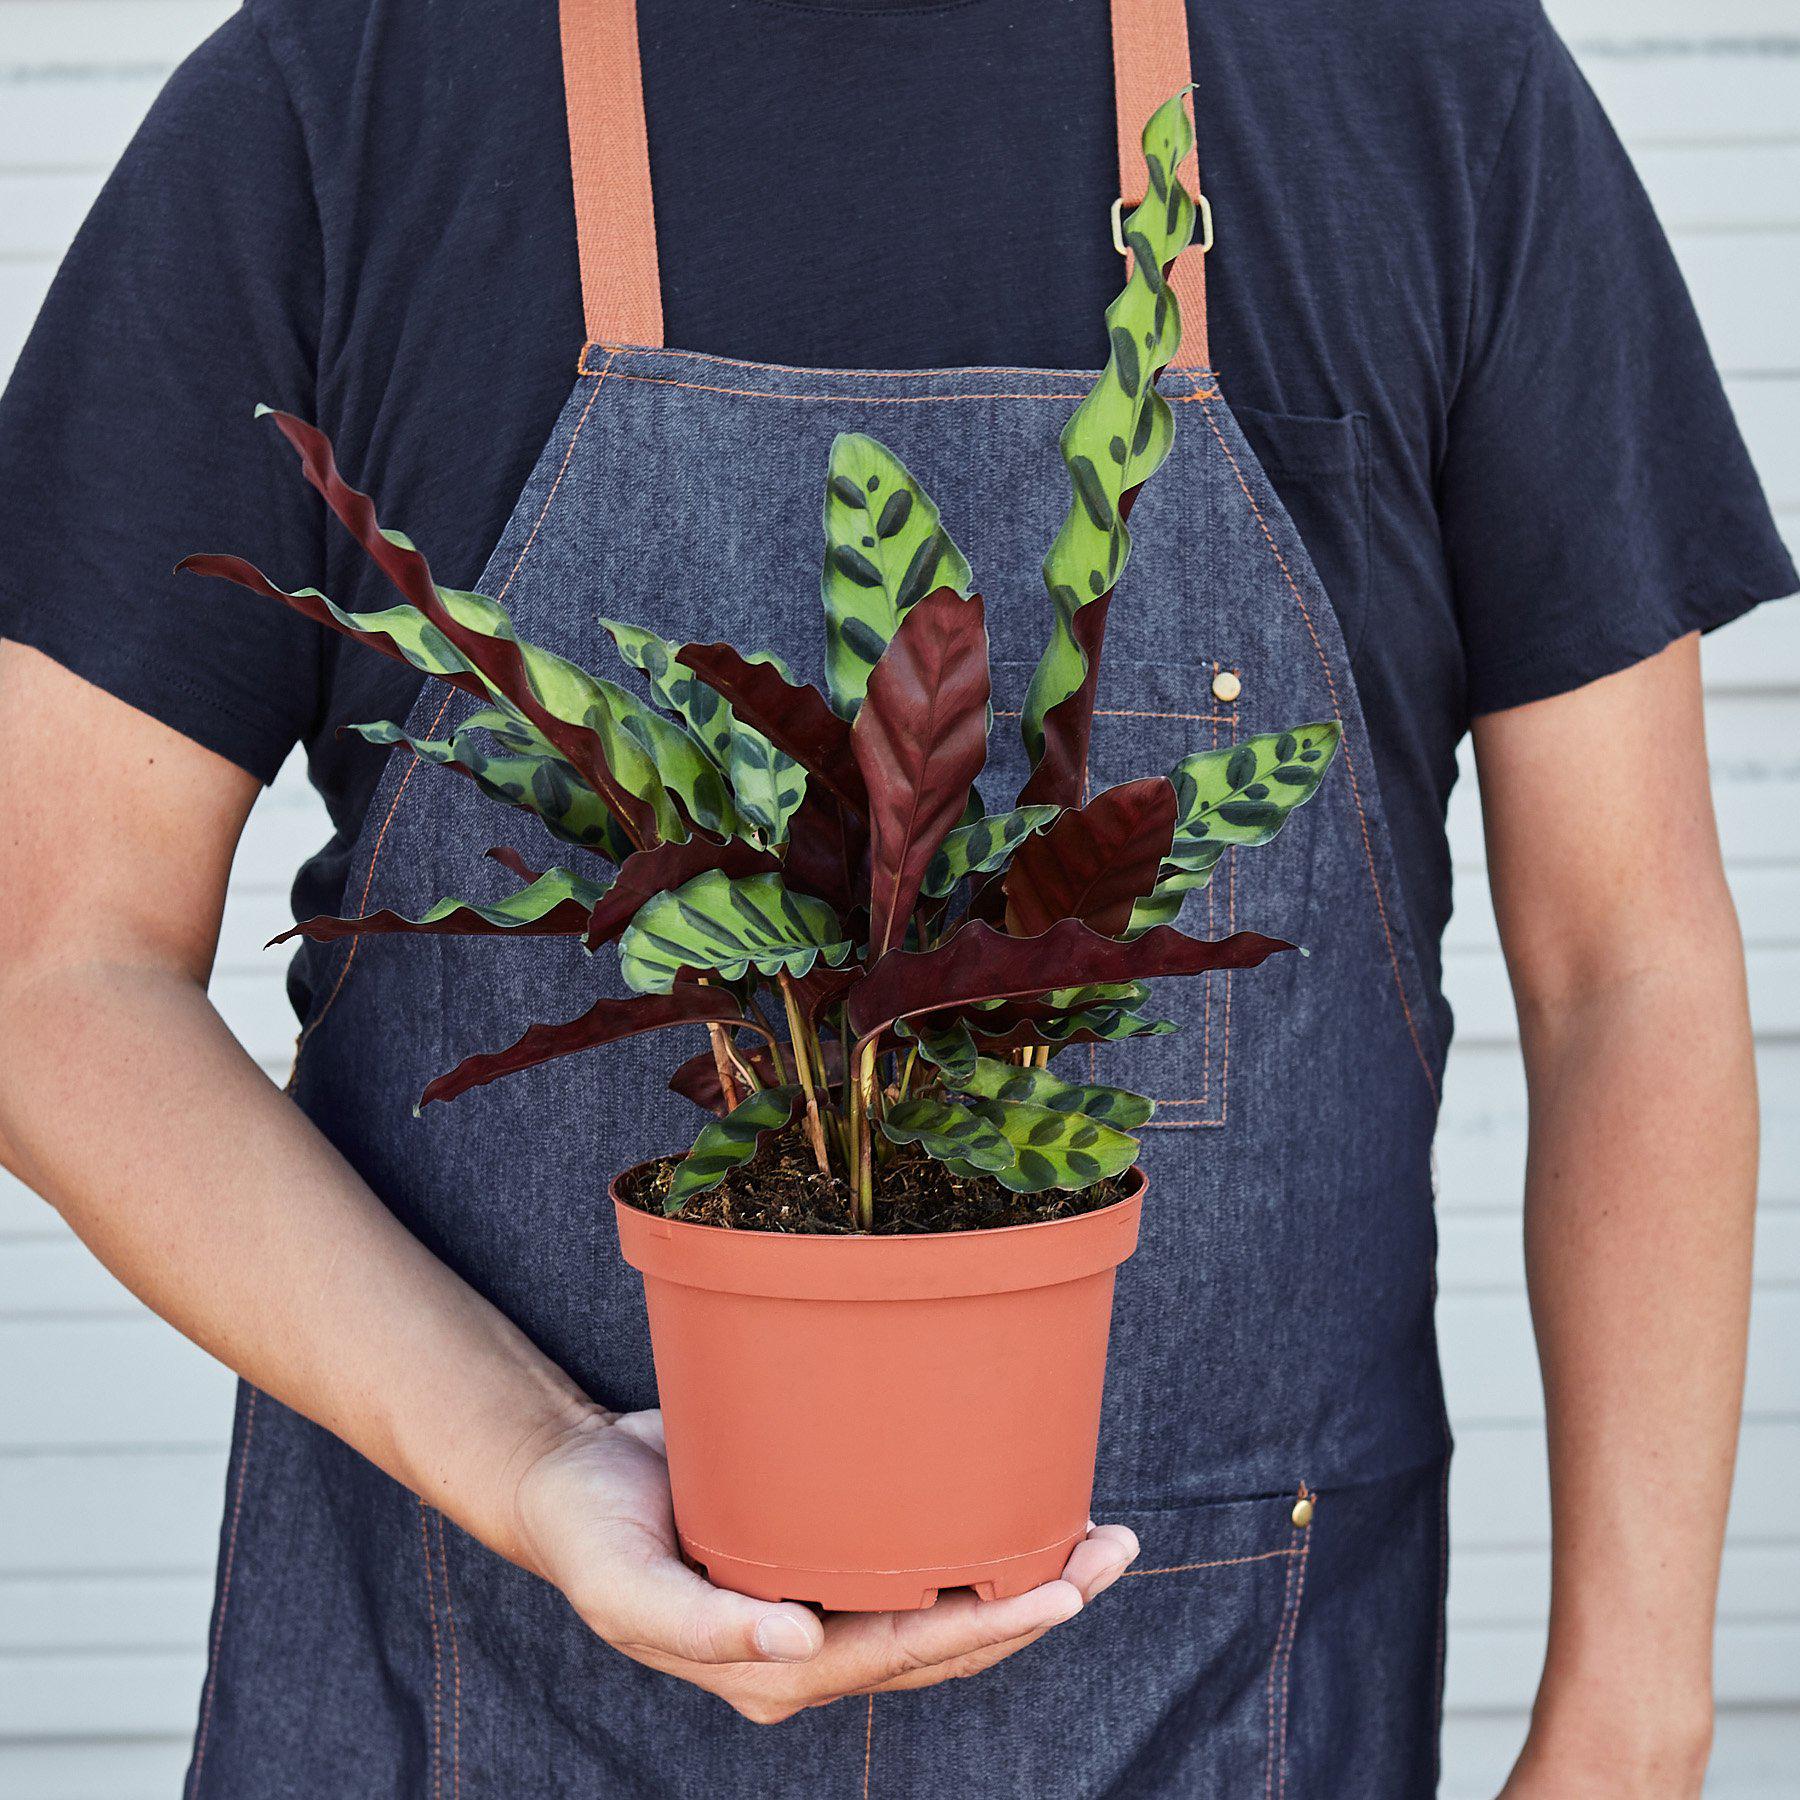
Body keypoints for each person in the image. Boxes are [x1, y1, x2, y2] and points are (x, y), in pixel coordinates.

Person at [0, 0, 1787, 1792]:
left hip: (1221, 1711)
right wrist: (532, 1459)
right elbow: (49, 966)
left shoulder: (1421, 83)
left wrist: (1633, 1731)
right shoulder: (344, 102)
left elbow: (1625, 961)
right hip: (468, 1710)